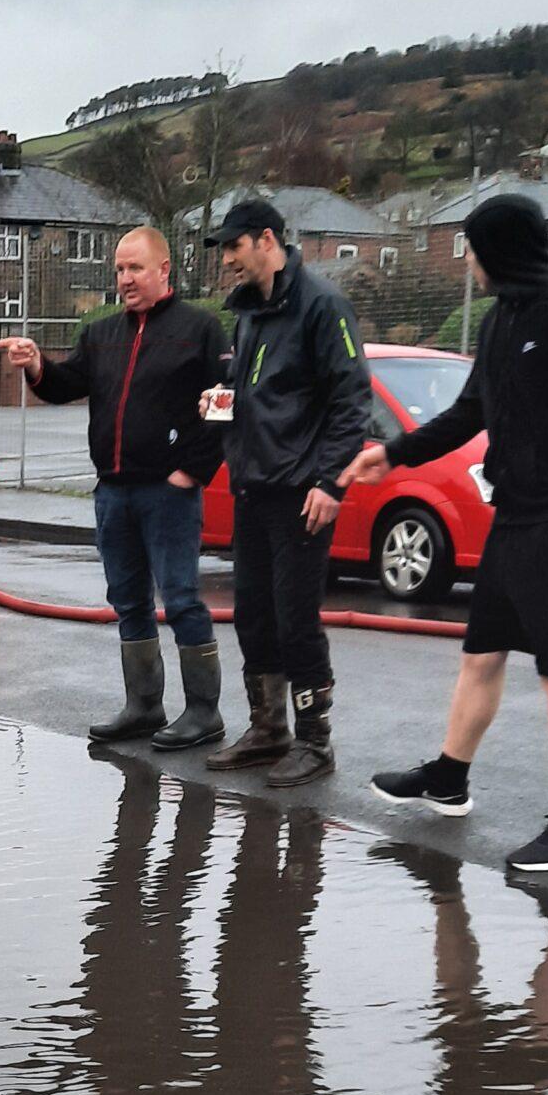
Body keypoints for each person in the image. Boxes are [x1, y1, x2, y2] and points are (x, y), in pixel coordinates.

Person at [358, 192, 548, 873]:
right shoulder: (501, 320)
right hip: (513, 515)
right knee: (481, 654)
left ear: (501, 249)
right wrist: (394, 453)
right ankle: (449, 779)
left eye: (476, 248)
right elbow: (470, 411)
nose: (471, 262)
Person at [3, 229, 228, 748]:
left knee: (181, 598)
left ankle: (204, 712)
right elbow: (64, 385)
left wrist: (191, 472)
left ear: (164, 269)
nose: (125, 279)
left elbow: (225, 406)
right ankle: (145, 706)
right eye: (120, 270)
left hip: (169, 493)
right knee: (128, 600)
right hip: (114, 493)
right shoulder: (102, 334)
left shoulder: (200, 330)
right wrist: (36, 365)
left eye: (136, 269)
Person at [204, 200, 371, 786]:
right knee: (253, 612)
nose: (227, 260)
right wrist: (218, 401)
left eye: (233, 247)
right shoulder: (249, 312)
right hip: (253, 488)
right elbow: (244, 386)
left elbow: (353, 404)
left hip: (302, 493)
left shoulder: (323, 306)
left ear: (266, 240)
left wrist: (331, 482)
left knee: (296, 618)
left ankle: (315, 742)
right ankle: (268, 728)